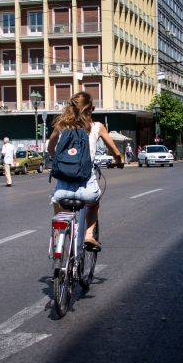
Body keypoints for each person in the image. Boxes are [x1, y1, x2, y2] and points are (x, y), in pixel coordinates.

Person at [47, 92, 123, 249]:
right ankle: (89, 235)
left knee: (57, 203)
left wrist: (61, 162)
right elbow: (115, 151)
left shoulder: (61, 126)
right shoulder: (97, 127)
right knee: (94, 203)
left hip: (62, 191)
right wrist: (119, 161)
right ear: (90, 109)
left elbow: (50, 148)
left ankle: (59, 238)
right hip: (87, 190)